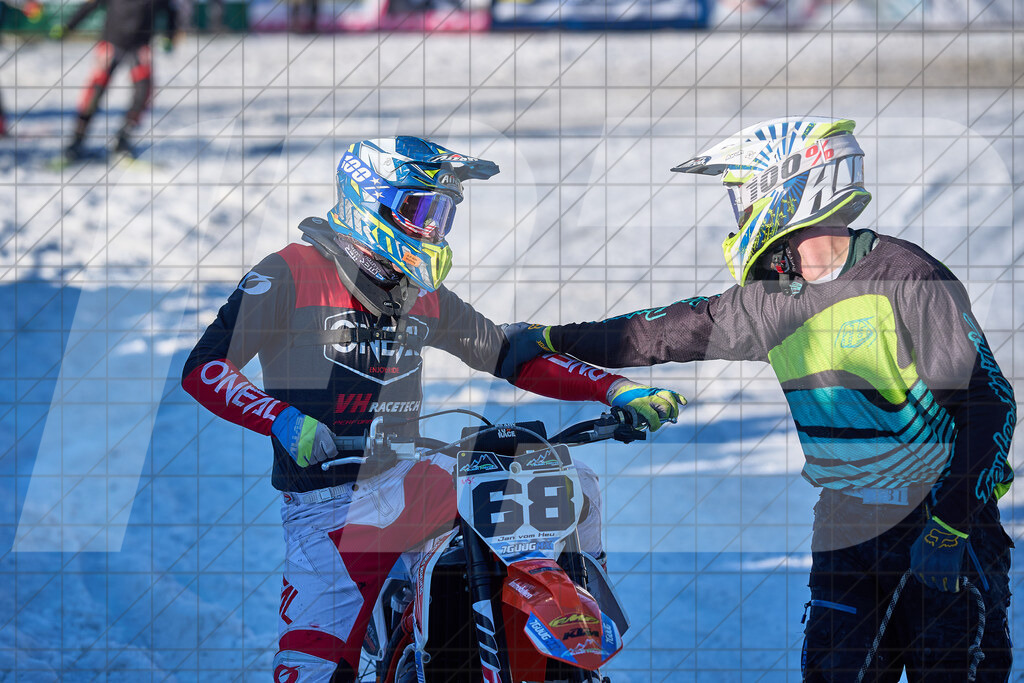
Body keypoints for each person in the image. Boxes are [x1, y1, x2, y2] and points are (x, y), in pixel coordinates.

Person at [509, 117, 1015, 681]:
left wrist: (950, 524)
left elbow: (990, 406)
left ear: (790, 189)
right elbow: (660, 333)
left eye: (743, 198)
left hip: (938, 521)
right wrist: (551, 336)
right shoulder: (773, 299)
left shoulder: (907, 279)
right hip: (846, 523)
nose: (740, 216)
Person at [181, 136, 683, 682]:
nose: (433, 229)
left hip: (408, 477)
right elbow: (205, 368)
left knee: (570, 481)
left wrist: (613, 389)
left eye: (442, 214)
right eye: (421, 210)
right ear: (369, 200)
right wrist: (279, 418)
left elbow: (506, 352)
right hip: (330, 504)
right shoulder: (289, 272)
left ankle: (570, 625)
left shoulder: (419, 293)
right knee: (314, 667)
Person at [49, 0, 177, 161]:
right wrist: (68, 26)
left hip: (140, 45)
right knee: (95, 90)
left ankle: (123, 140)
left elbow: (171, 11)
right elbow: (90, 5)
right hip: (112, 42)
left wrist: (169, 36)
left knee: (144, 92)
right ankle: (76, 141)